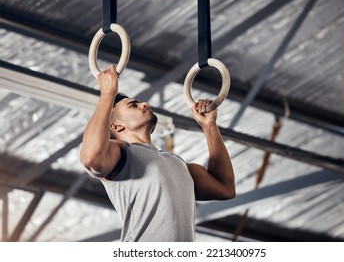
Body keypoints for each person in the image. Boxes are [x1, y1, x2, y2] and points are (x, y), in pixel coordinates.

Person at [80, 65, 235, 242]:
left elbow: (225, 188)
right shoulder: (122, 154)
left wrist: (210, 127)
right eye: (133, 105)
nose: (145, 104)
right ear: (116, 126)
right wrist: (107, 94)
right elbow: (92, 159)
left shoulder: (178, 163)